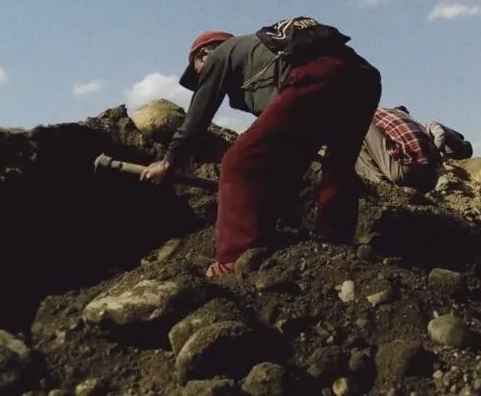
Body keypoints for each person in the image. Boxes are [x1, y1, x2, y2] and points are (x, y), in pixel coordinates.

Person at [141, 17, 381, 277]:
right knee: (338, 165)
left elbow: (197, 118)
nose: (199, 74)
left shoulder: (220, 54)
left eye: (196, 68)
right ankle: (335, 238)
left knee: (239, 162)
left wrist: (169, 161)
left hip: (318, 73)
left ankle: (232, 260)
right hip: (363, 77)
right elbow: (290, 144)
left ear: (204, 52)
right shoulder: (261, 55)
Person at [355, 106, 441, 194]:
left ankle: (381, 184)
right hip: (432, 178)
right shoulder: (405, 118)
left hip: (406, 171)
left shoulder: (367, 112)